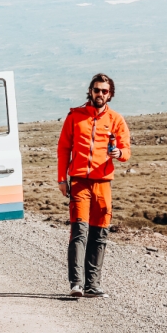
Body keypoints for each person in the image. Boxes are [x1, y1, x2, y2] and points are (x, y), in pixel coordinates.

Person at [56, 73, 130, 298]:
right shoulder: (75, 117)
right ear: (90, 91)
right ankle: (76, 284)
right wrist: (62, 179)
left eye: (104, 91)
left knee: (99, 234)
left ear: (111, 94)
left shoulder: (116, 120)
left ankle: (93, 285)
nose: (100, 94)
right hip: (79, 182)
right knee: (79, 232)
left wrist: (119, 153)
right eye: (96, 90)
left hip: (103, 184)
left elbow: (126, 151)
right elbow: (63, 149)